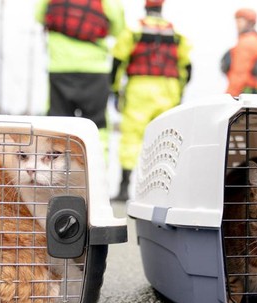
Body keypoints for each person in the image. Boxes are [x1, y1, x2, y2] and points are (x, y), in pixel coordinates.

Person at [110, 0, 192, 201]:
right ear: (161, 8)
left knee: (131, 137)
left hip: (139, 88)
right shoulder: (177, 34)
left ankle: (123, 188)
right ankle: (165, 191)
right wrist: (179, 92)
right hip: (168, 90)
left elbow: (118, 61)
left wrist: (114, 90)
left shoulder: (133, 30)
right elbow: (187, 68)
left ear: (146, 8)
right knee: (166, 140)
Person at [35, 0, 125, 141]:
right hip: (95, 70)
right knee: (97, 125)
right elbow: (118, 28)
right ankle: (98, 161)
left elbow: (39, 16)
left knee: (57, 124)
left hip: (60, 68)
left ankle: (55, 160)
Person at [221, 8, 257, 96]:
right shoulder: (254, 40)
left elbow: (239, 74)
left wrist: (230, 96)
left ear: (250, 23)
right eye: (237, 21)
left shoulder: (247, 43)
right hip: (250, 92)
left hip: (242, 93)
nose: (237, 25)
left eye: (240, 21)